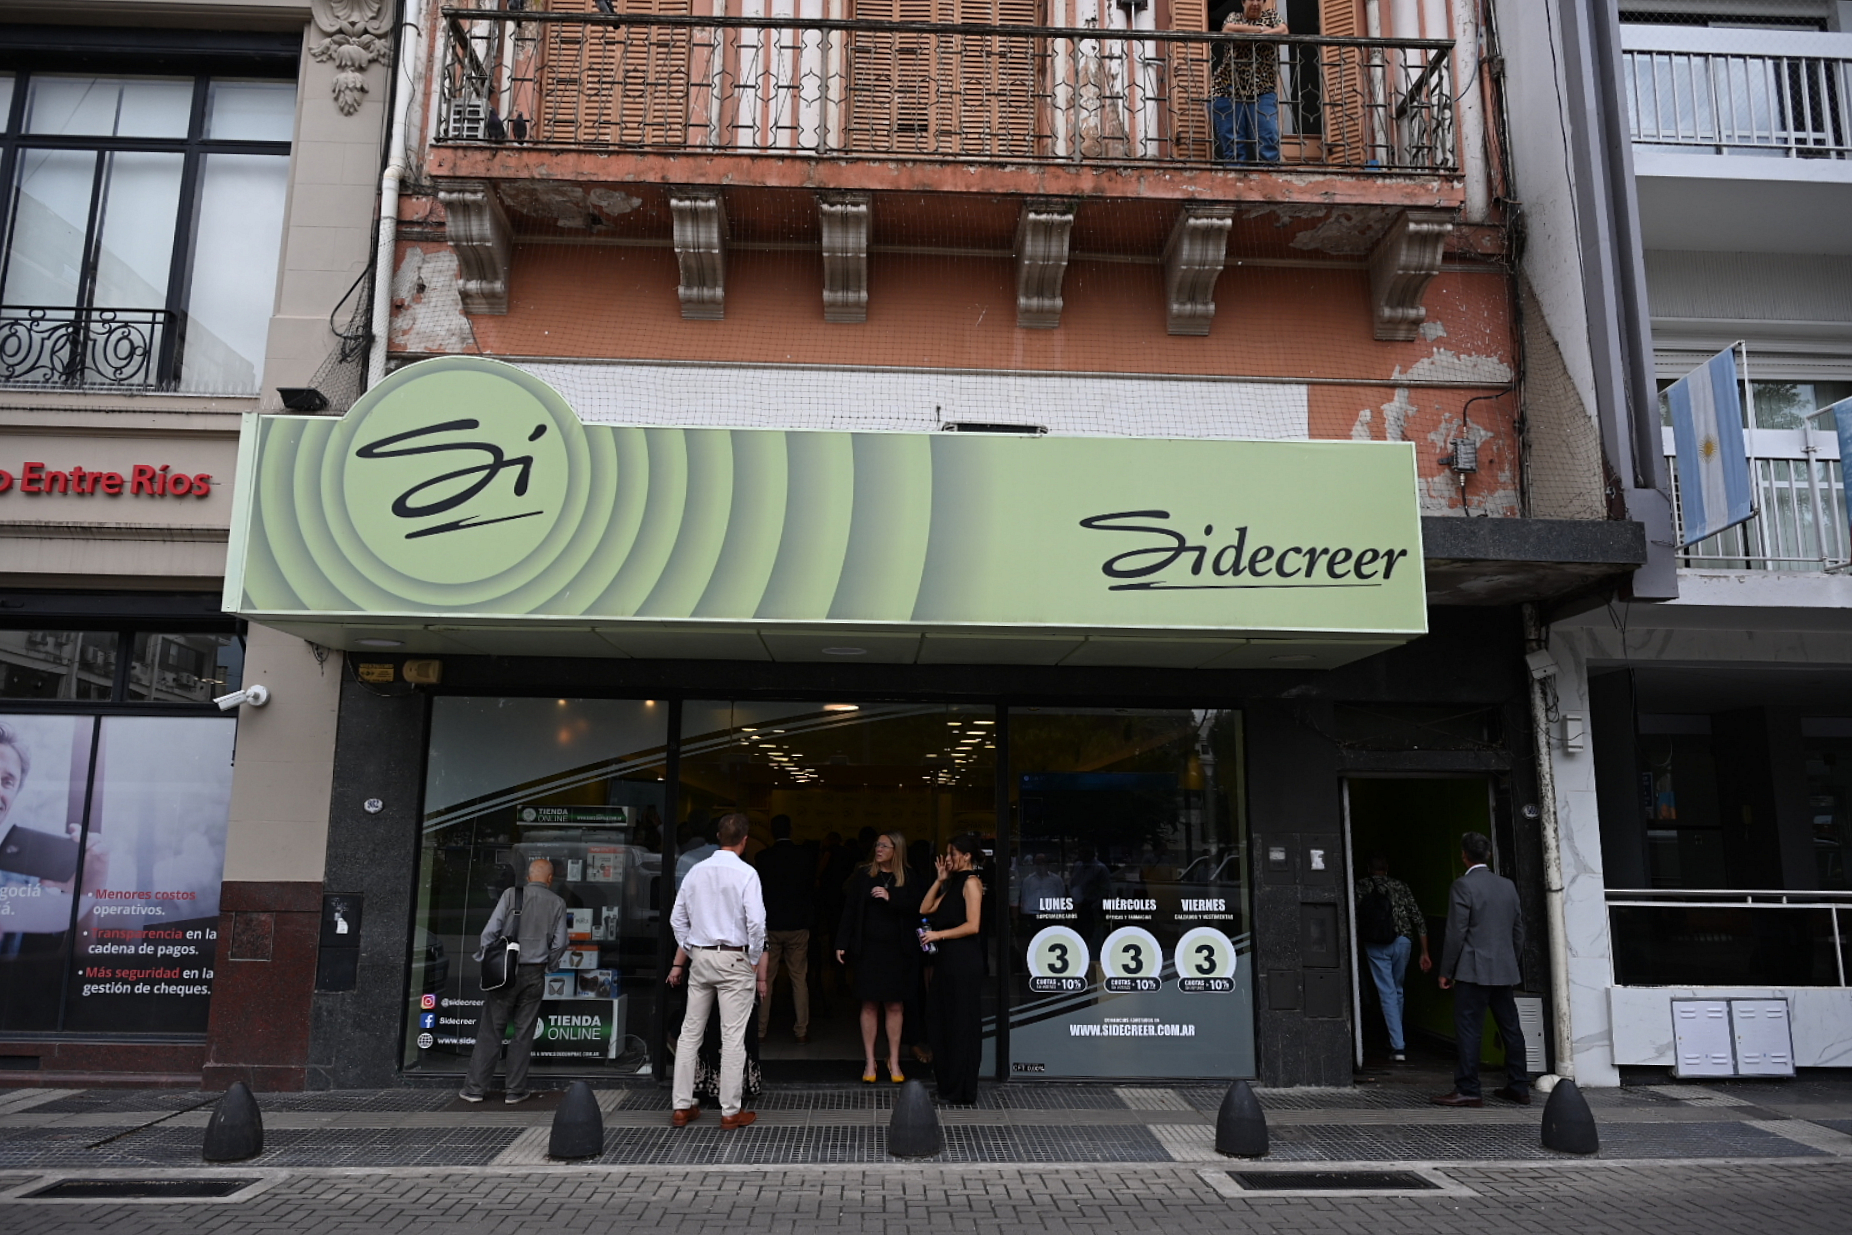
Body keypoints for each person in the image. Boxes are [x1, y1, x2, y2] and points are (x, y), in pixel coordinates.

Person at [667, 811, 767, 1130]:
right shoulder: (747, 874)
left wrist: (691, 947)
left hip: (701, 957)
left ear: (718, 837)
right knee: (733, 1036)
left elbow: (676, 918)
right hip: (735, 958)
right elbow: (756, 923)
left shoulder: (696, 871)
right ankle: (730, 1111)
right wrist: (754, 957)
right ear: (745, 841)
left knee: (689, 1033)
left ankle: (681, 1106)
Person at [1432, 831, 1531, 1108]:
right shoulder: (1507, 886)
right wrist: (1509, 960)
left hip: (1472, 970)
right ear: (1487, 855)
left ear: (1464, 855)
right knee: (1511, 1028)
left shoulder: (1463, 886)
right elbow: (1518, 930)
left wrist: (1446, 970)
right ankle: (1519, 1086)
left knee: (1469, 1029)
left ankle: (1468, 1089)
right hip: (1503, 969)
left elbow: (1456, 933)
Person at [461, 857, 568, 1104]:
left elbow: (490, 932)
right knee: (524, 1033)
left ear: (529, 878)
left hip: (505, 972)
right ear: (550, 879)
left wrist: (486, 958)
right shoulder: (557, 902)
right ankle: (515, 1091)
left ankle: (474, 1090)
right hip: (535, 973)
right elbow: (560, 942)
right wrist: (549, 964)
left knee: (491, 1030)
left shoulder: (511, 895)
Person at [835, 830, 924, 1084]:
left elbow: (918, 907)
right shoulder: (864, 875)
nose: (879, 849)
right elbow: (850, 909)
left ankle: (894, 1060)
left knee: (895, 1005)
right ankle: (869, 1060)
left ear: (897, 850)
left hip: (898, 951)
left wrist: (890, 897)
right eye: (877, 845)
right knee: (869, 1004)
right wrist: (842, 942)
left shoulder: (909, 877)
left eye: (884, 846)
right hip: (868, 950)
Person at [920, 833, 986, 1105]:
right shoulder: (953, 884)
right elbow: (925, 908)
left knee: (961, 1023)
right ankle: (947, 1084)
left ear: (966, 856)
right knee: (942, 1019)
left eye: (952, 854)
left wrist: (939, 935)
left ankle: (960, 1089)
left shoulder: (971, 883)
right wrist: (939, 880)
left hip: (963, 961)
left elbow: (973, 925)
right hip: (947, 961)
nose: (947, 859)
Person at [1354, 853, 1432, 1063]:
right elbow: (1418, 918)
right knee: (1397, 990)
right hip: (1403, 941)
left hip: (1376, 944)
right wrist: (1425, 952)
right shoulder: (1400, 886)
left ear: (1369, 869)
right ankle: (1396, 1038)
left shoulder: (1361, 886)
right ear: (1386, 868)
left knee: (1387, 993)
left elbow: (1355, 917)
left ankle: (1398, 1046)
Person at [754, 813, 815, 1043]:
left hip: (770, 924)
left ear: (771, 832)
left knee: (766, 978)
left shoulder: (763, 857)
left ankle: (760, 1030)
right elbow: (810, 889)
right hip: (798, 924)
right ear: (791, 830)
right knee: (799, 978)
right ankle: (801, 1031)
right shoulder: (805, 856)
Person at [1211, 1, 1286, 165]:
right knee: (1234, 145)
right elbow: (1228, 30)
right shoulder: (1234, 17)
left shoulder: (1271, 16)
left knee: (1268, 137)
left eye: (1259, 0)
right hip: (1227, 88)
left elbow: (1283, 31)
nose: (1255, 3)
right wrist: (1262, 31)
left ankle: (1269, 177)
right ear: (1243, 2)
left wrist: (1246, 35)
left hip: (1263, 88)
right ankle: (1236, 178)